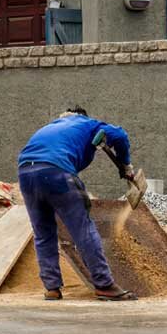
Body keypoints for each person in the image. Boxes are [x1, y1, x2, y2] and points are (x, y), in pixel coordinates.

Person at [17, 106, 138, 301]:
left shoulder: (50, 128)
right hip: (56, 172)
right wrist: (126, 165)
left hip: (26, 174)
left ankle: (52, 288)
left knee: (43, 233)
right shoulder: (88, 124)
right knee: (83, 229)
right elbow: (120, 135)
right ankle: (104, 284)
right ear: (82, 116)